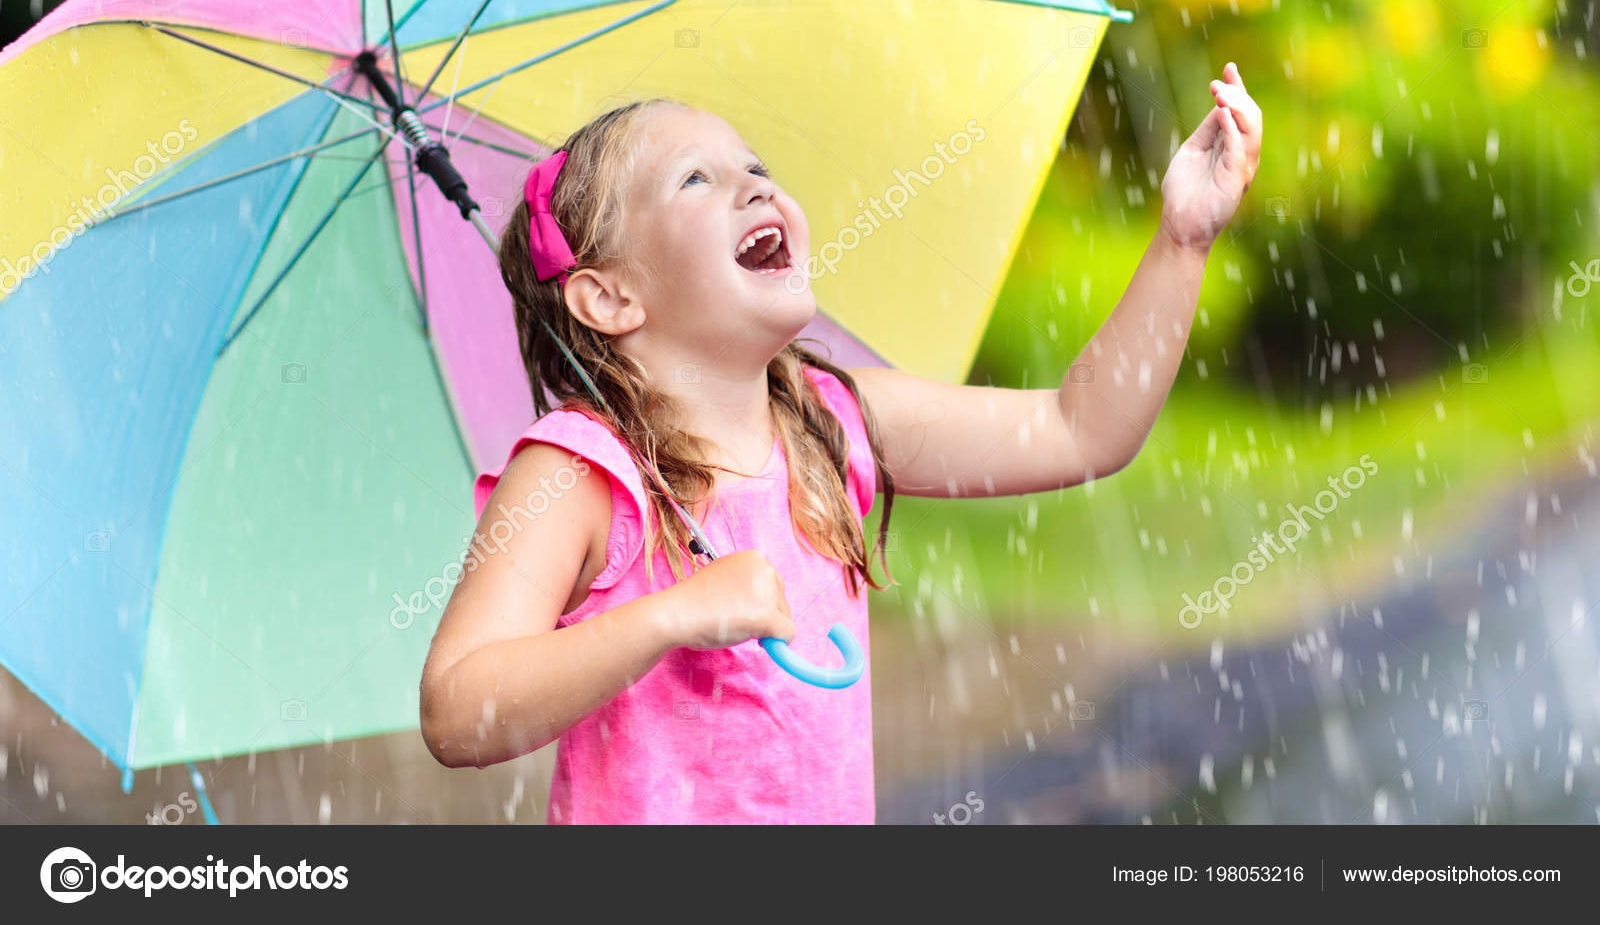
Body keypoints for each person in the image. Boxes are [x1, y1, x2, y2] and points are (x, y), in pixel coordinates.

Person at [418, 65, 1263, 822]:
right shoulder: (578, 473)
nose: (753, 188)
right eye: (696, 179)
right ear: (608, 299)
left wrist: (1182, 240)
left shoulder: (830, 422)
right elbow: (459, 711)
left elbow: (1083, 428)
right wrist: (667, 617)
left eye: (757, 169)